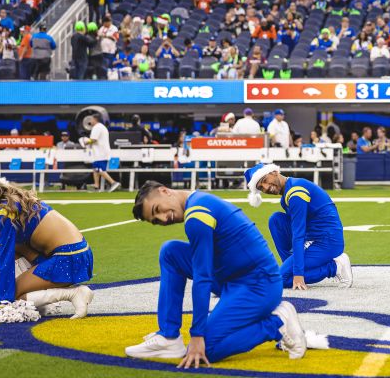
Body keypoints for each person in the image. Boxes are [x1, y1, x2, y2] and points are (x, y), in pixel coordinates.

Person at [124, 182, 313, 364]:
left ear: (165, 191)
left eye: (158, 210)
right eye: (156, 220)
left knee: (206, 350)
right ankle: (169, 335)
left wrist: (197, 334)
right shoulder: (197, 202)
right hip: (234, 278)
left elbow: (203, 277)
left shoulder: (197, 215)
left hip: (258, 285)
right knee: (171, 252)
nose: (164, 219)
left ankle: (277, 323)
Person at [0, 178, 95, 318]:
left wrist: (3, 299)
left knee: (14, 298)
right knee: (17, 254)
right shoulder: (16, 200)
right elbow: (16, 249)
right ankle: (42, 295)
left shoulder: (2, 212)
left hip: (68, 258)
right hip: (79, 254)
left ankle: (74, 293)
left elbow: (6, 256)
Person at [245, 163, 353, 290]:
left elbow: (298, 233)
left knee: (281, 280)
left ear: (274, 172)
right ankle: (290, 265)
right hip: (314, 237)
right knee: (276, 220)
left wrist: (298, 274)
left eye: (264, 181)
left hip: (327, 241)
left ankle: (335, 267)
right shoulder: (288, 190)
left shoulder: (295, 192)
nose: (266, 188)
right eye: (261, 188)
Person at [80, 112, 119, 192]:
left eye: (91, 119)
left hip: (100, 153)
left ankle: (113, 182)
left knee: (99, 169)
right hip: (101, 152)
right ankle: (96, 186)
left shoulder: (97, 127)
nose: (90, 121)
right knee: (95, 169)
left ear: (95, 119)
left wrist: (84, 142)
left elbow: (94, 139)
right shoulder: (101, 127)